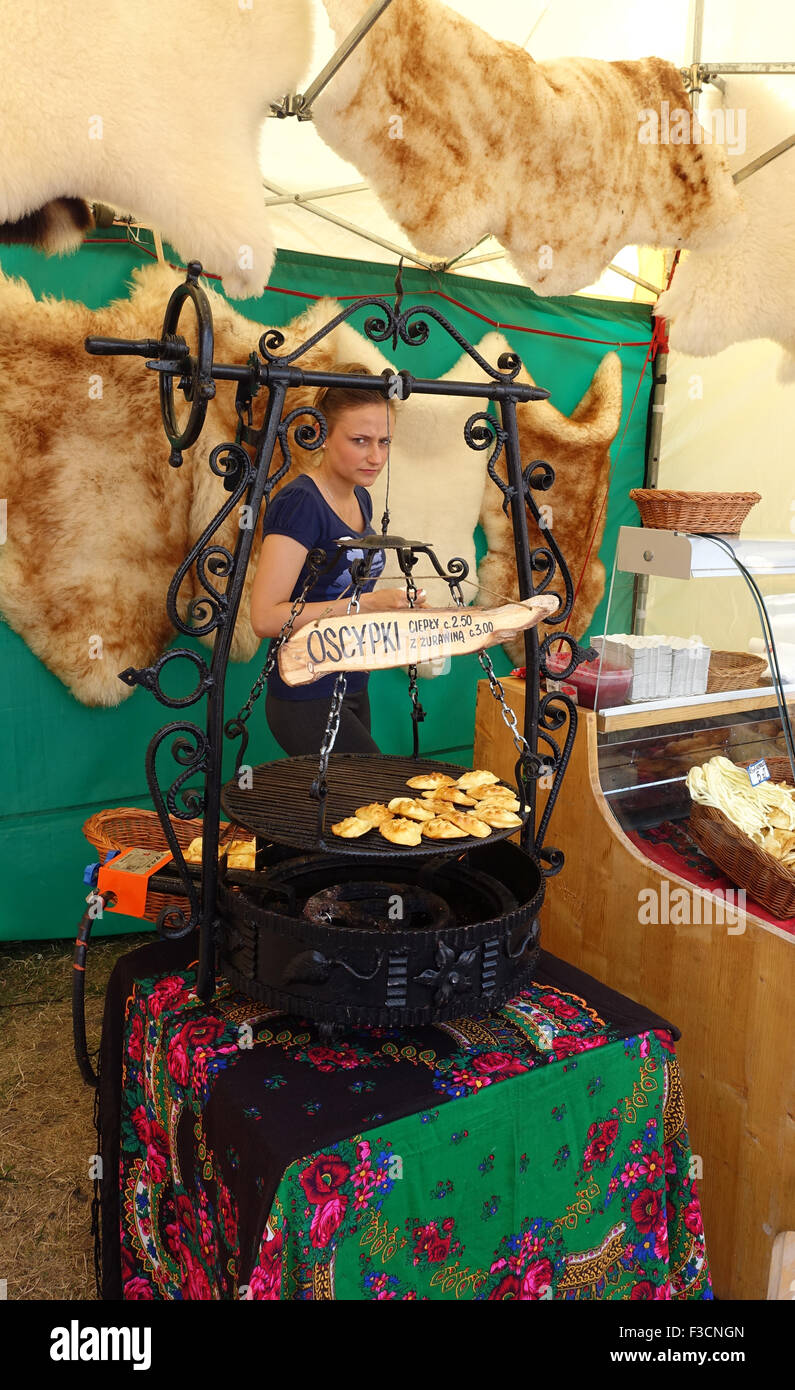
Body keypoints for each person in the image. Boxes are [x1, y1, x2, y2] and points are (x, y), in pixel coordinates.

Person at [250, 363, 427, 755]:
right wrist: (366, 604)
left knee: (344, 815)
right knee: (372, 802)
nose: (376, 456)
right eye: (360, 440)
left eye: (385, 442)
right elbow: (264, 617)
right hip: (305, 693)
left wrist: (395, 608)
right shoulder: (302, 503)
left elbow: (349, 598)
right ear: (324, 435)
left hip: (353, 685)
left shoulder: (360, 497)